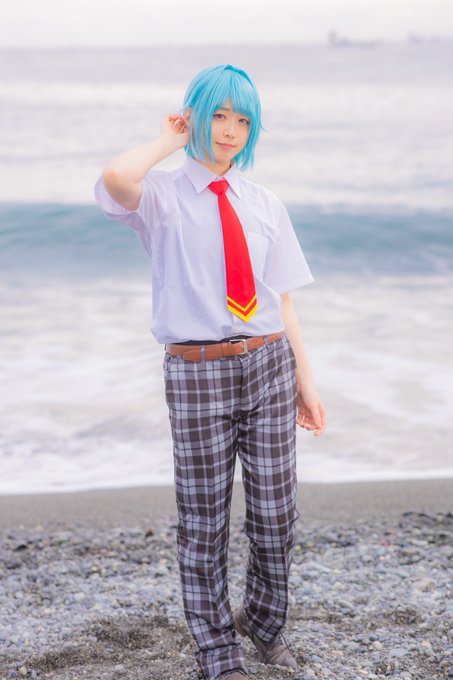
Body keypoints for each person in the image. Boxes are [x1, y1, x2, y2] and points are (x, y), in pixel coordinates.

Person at [94, 63, 327, 680]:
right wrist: (169, 140)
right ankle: (218, 651)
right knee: (204, 520)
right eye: (218, 115)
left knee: (276, 514)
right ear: (194, 116)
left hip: (269, 362)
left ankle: (264, 623)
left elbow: (281, 300)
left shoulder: (264, 203)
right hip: (197, 371)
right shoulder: (162, 196)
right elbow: (116, 177)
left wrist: (306, 381)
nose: (229, 130)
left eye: (242, 120)